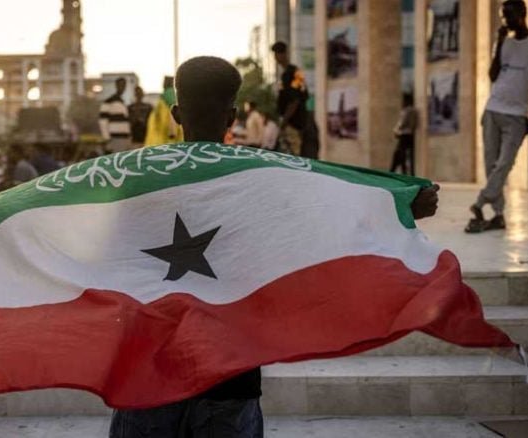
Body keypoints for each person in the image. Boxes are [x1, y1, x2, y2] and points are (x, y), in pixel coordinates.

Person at [108, 56, 440, 438]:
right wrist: (398, 206)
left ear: (176, 113)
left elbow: (108, 264)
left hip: (148, 376)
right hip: (230, 377)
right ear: (232, 116)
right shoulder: (262, 179)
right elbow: (330, 214)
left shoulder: (136, 181)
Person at [466, 0, 528, 233]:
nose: (505, 20)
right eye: (502, 16)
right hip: (493, 109)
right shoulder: (504, 41)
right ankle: (498, 215)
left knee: (504, 164)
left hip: (518, 114)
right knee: (491, 165)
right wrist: (499, 42)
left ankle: (480, 201)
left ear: (522, 13)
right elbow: (492, 75)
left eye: (508, 15)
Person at [271, 41, 309, 156]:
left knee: (293, 156)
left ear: (284, 54)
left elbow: (295, 100)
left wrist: (284, 121)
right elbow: (304, 94)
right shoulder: (297, 72)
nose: (276, 57)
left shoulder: (289, 74)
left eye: (278, 53)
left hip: (293, 123)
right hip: (299, 121)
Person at [145, 76, 184, 146]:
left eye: (165, 82)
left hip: (166, 132)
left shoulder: (169, 93)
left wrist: (172, 131)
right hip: (164, 130)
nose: (163, 84)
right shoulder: (170, 93)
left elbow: (172, 111)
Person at [99, 77, 131, 153]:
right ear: (116, 85)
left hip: (125, 138)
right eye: (120, 85)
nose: (122, 87)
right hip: (115, 138)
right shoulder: (108, 101)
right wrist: (106, 138)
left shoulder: (122, 102)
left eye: (124, 85)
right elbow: (103, 121)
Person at [390, 93, 419, 175]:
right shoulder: (415, 111)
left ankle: (400, 171)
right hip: (411, 134)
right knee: (407, 154)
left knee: (400, 153)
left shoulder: (407, 111)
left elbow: (402, 122)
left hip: (404, 134)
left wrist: (396, 129)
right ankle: (403, 171)